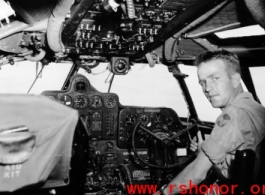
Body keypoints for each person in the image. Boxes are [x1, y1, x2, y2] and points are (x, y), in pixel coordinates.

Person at [158, 50, 265, 195]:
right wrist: (203, 151)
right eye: (202, 82)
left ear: (235, 80)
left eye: (215, 78)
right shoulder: (256, 108)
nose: (207, 89)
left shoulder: (233, 114)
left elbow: (196, 173)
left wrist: (162, 193)